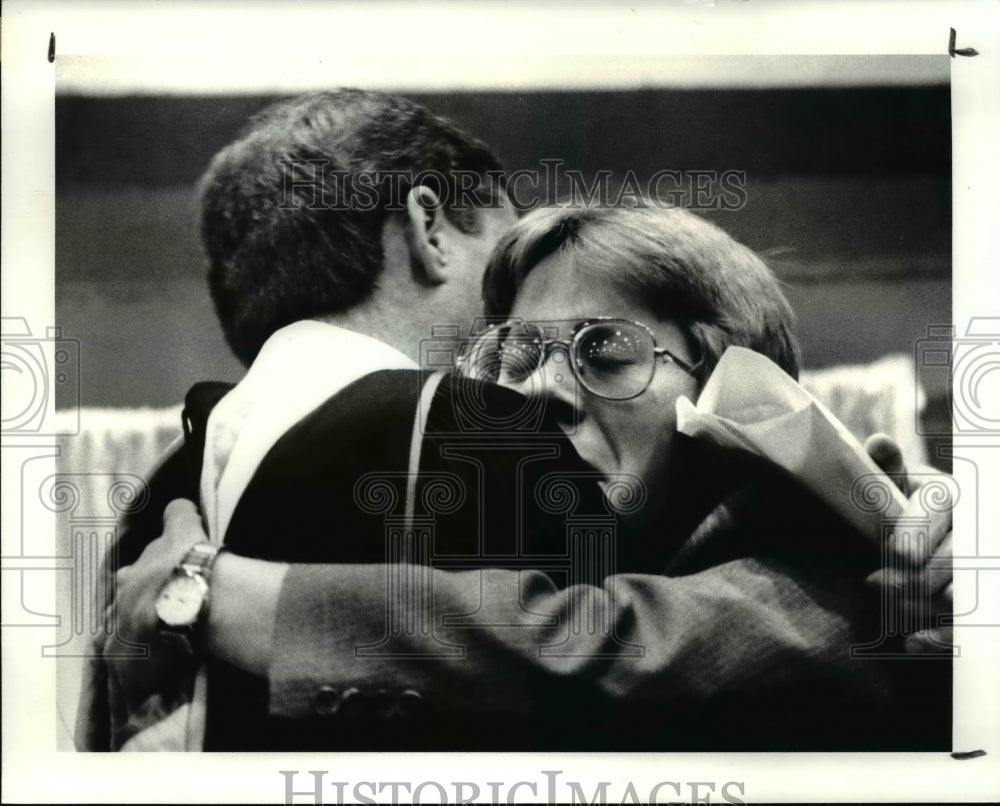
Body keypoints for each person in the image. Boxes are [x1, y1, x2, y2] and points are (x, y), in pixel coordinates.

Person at [104, 203, 953, 751]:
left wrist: (204, 591)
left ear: (732, 389)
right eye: (515, 355)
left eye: (604, 351)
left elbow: (582, 644)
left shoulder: (856, 566)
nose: (537, 394)